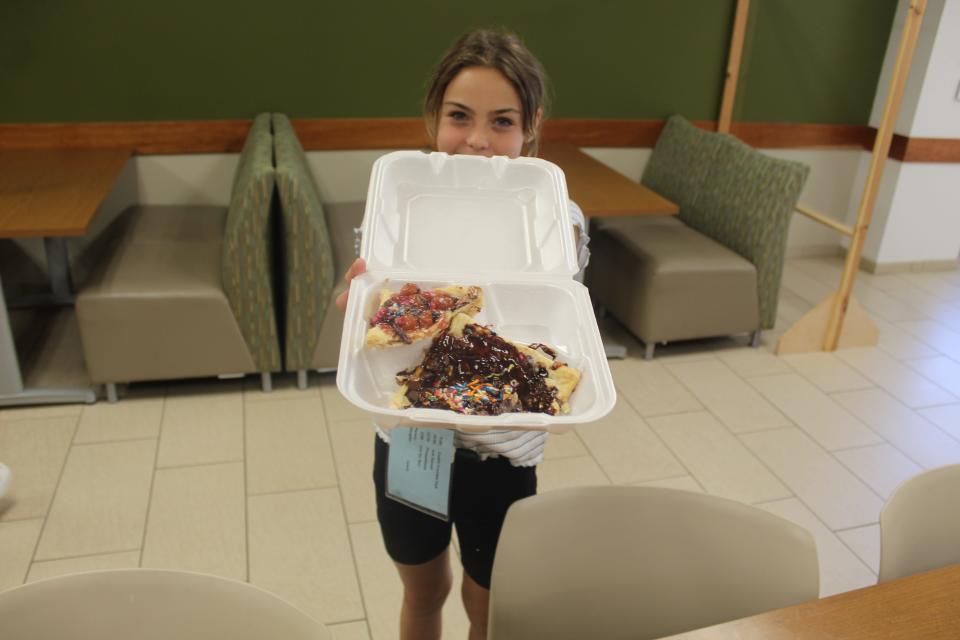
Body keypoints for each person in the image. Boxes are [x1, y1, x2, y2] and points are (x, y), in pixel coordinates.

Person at [336, 28, 590, 640]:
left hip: (505, 451)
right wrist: (355, 304)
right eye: (459, 117)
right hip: (412, 442)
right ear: (433, 119)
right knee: (425, 592)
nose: (477, 141)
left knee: (487, 600)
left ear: (530, 127)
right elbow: (368, 306)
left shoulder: (554, 220)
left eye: (502, 122)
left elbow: (558, 319)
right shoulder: (400, 209)